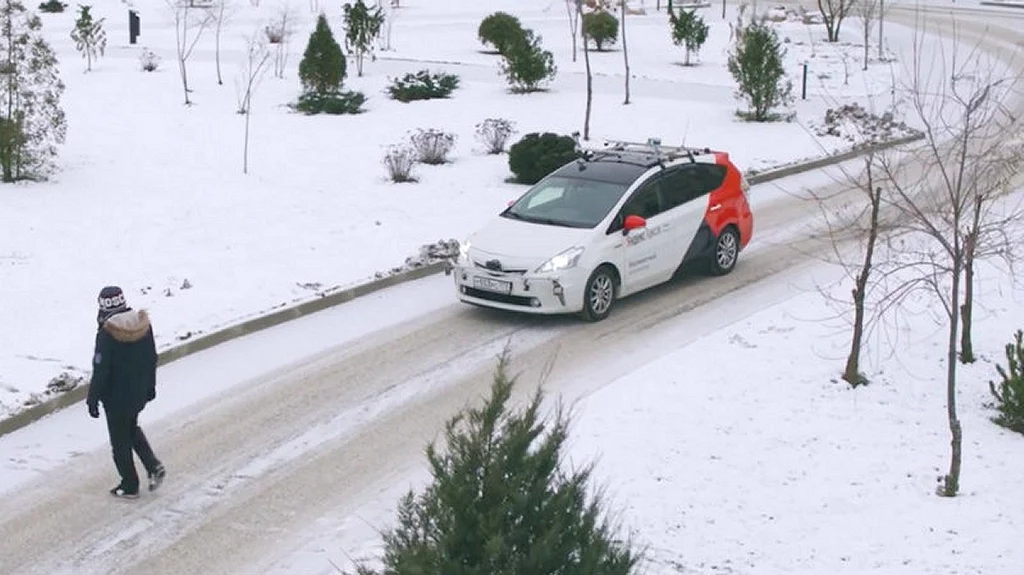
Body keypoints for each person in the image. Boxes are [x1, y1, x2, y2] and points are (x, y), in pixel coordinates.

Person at [86, 286, 166, 499]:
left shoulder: (107, 334)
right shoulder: (143, 326)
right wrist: (150, 386)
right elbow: (152, 358)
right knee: (130, 428)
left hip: (115, 398)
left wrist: (92, 399)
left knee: (119, 442)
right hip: (138, 393)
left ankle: (129, 484)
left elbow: (101, 370)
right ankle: (153, 466)